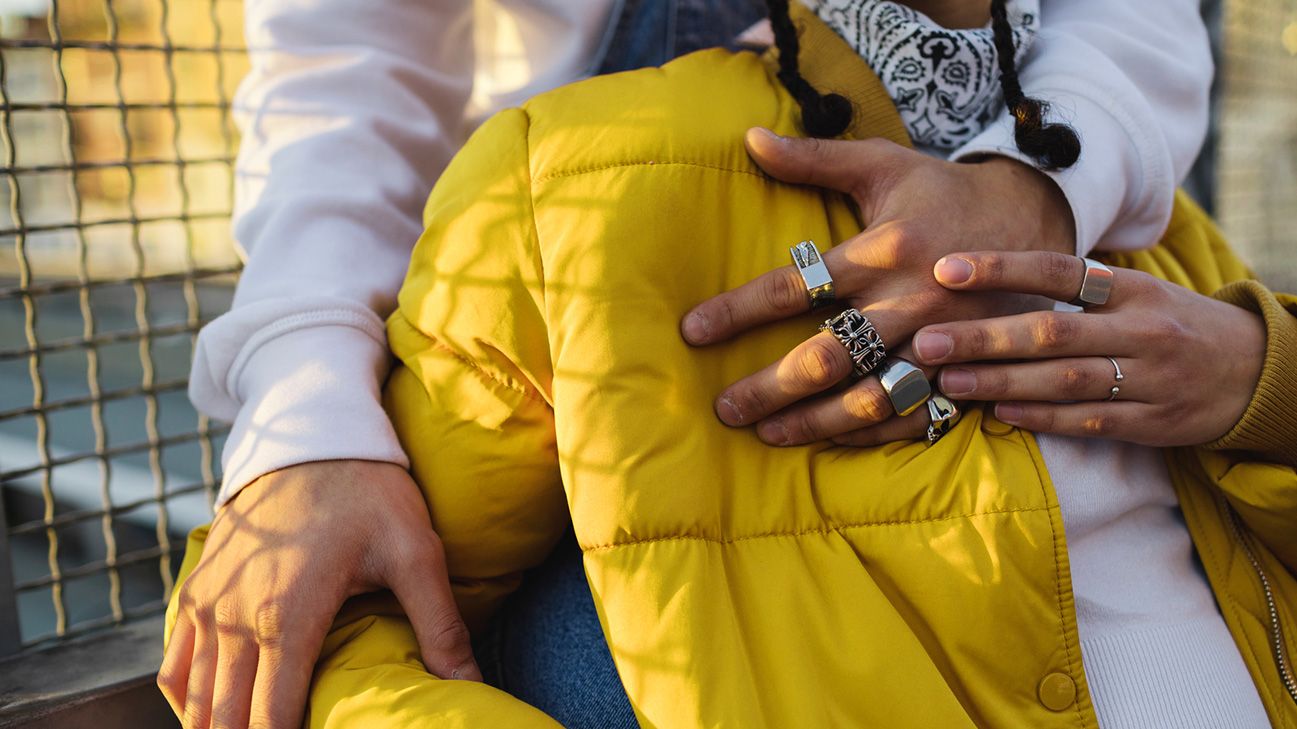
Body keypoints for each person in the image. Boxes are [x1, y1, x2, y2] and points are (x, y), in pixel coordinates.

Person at [159, 0, 1225, 727]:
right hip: (602, 315)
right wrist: (306, 413)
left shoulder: (1172, 265)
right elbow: (345, 72)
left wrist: (1039, 188)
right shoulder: (579, 192)